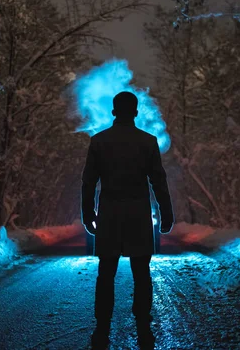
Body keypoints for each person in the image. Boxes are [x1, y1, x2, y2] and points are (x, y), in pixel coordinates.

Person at [81, 91, 174, 350]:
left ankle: (102, 330)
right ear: (135, 112)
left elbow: (88, 182)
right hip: (138, 216)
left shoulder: (99, 142)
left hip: (109, 215)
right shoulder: (148, 142)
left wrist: (87, 214)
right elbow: (158, 180)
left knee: (106, 274)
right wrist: (166, 212)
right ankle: (144, 329)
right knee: (141, 274)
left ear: (113, 112)